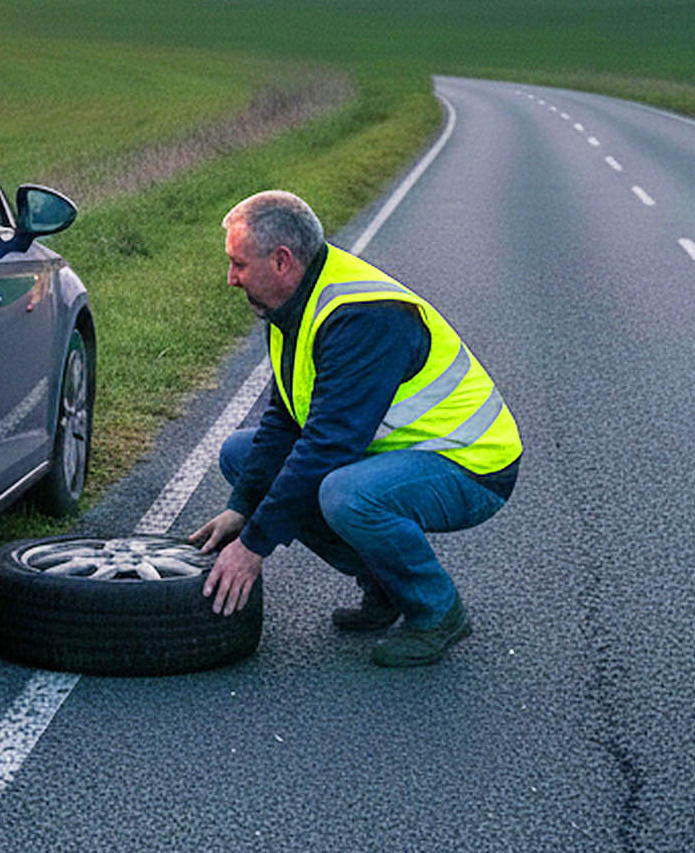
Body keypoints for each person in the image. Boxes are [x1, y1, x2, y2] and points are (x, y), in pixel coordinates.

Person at [186, 190, 521, 666]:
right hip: (394, 453)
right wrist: (241, 507)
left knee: (346, 495)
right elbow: (286, 416)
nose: (231, 278)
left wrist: (253, 546)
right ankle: (386, 586)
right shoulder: (291, 302)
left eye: (239, 264)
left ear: (281, 260)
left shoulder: (363, 318)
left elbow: (328, 446)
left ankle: (437, 611)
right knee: (239, 455)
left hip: (470, 464)